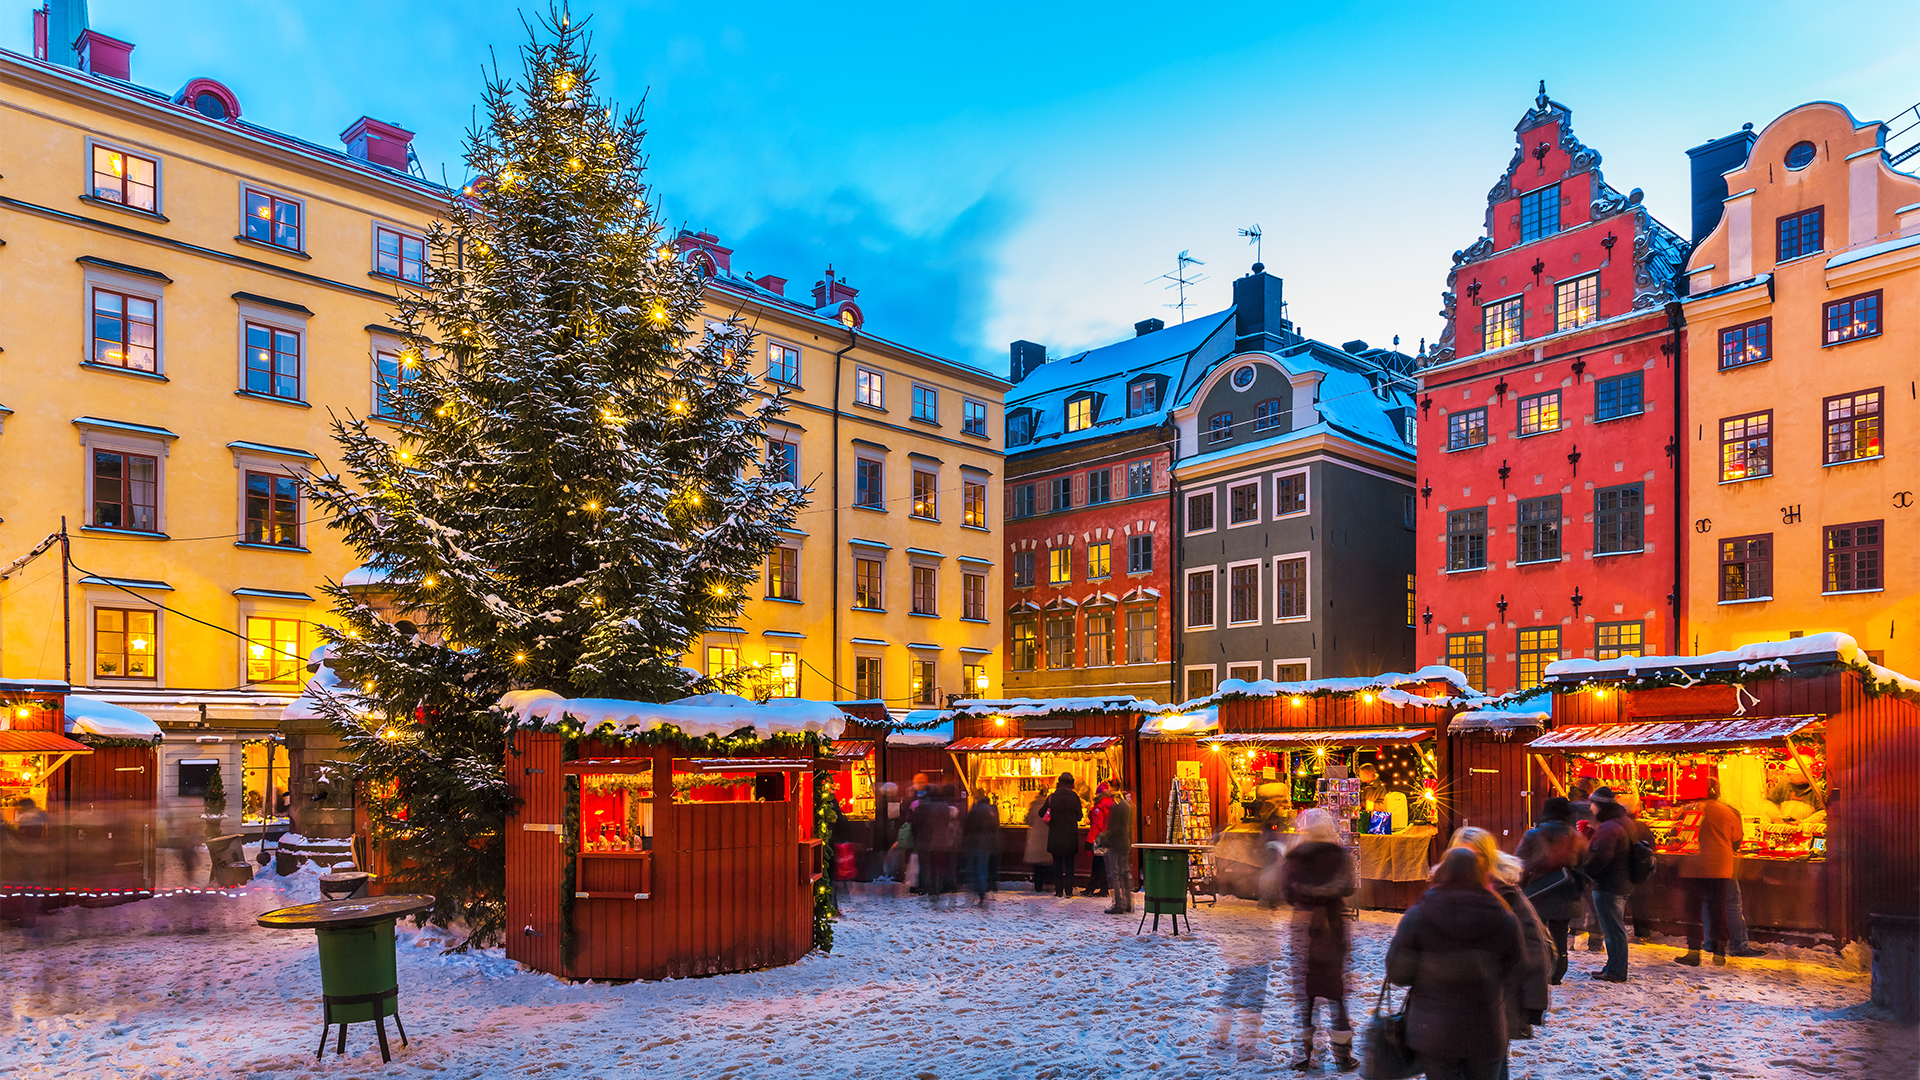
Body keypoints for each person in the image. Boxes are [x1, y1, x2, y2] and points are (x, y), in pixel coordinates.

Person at [1384, 847, 1525, 1080]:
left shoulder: (1418, 915)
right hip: (1486, 1028)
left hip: (1432, 1031)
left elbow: (1398, 974)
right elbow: (1516, 968)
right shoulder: (1503, 916)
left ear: (1442, 873)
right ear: (1483, 876)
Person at [1453, 826, 1554, 1077]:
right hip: (1453, 1002)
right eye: (1461, 855)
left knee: (1492, 1066)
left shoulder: (1506, 894)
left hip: (1496, 1000)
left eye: (1474, 855)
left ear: (1487, 857)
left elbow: (1535, 948)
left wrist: (1532, 1003)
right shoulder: (1445, 892)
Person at [1281, 809, 1358, 1073]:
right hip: (1333, 926)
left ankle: (1304, 1054)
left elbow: (1287, 893)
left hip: (1304, 927)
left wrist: (1306, 894)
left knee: (1306, 994)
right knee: (1336, 994)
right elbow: (1348, 887)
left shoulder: (1294, 857)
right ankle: (1343, 1056)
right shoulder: (1339, 856)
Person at [1517, 796, 1588, 984]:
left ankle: (1538, 969)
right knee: (1560, 934)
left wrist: (1520, 889)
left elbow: (1520, 865)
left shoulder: (1533, 835)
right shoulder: (1577, 837)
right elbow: (1584, 864)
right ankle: (1558, 970)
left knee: (1535, 934)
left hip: (1537, 892)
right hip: (1566, 892)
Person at [1676, 778, 1741, 967]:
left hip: (1691, 865)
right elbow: (1736, 838)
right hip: (1720, 867)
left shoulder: (1686, 810)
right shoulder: (1728, 811)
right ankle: (1719, 952)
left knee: (1692, 910)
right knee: (1718, 909)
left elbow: (1676, 835)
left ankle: (1693, 952)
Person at [1582, 787, 1634, 982]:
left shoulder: (1609, 827)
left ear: (1600, 806)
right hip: (1620, 882)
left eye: (1593, 804)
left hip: (1609, 884)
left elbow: (1601, 857)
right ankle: (1612, 966)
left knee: (1613, 930)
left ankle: (1616, 971)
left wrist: (1585, 873)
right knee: (1614, 929)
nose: (1591, 807)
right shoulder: (1623, 822)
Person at [1045, 773, 1084, 898]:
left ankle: (1058, 891)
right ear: (1071, 783)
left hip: (1055, 835)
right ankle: (1068, 891)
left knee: (1057, 865)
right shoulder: (1074, 797)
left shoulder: (1052, 797)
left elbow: (1042, 812)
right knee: (1069, 865)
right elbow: (1079, 817)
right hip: (1070, 836)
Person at [1100, 786, 1136, 915]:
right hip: (1125, 842)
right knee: (1125, 873)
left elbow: (1114, 827)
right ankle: (1128, 903)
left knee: (1114, 874)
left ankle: (1118, 903)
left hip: (1116, 843)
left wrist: (1104, 836)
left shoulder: (1117, 807)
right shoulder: (1128, 806)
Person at [962, 792, 1000, 907]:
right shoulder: (992, 810)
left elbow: (967, 825)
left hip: (974, 841)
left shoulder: (975, 809)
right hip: (987, 842)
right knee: (982, 868)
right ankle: (982, 892)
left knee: (973, 868)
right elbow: (996, 826)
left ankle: (977, 893)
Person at [1084, 781, 1114, 898]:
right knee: (1104, 864)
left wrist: (1089, 841)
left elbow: (1096, 826)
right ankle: (1100, 888)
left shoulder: (1099, 806)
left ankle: (1097, 889)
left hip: (1100, 839)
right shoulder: (1112, 804)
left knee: (1098, 865)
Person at [1024, 790, 1053, 893]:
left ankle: (1037, 885)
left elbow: (1028, 821)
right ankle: (1045, 884)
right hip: (1047, 836)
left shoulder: (1034, 805)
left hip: (1035, 837)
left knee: (1037, 865)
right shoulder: (1050, 806)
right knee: (1045, 864)